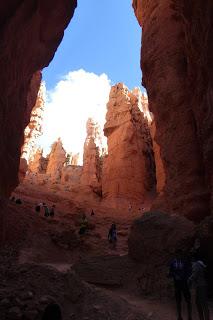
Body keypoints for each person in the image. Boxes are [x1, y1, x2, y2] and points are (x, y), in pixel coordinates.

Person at [169, 249, 192, 320]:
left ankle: (189, 317)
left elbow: (189, 271)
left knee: (188, 300)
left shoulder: (185, 262)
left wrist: (185, 277)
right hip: (177, 283)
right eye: (177, 255)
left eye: (180, 254)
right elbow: (170, 272)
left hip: (184, 283)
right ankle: (179, 316)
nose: (179, 256)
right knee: (178, 300)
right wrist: (174, 275)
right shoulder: (173, 262)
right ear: (176, 255)